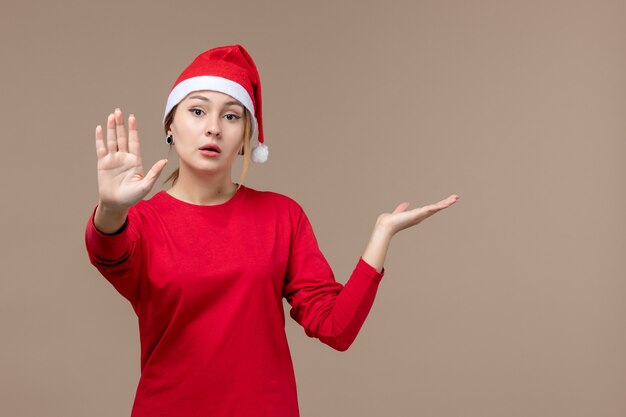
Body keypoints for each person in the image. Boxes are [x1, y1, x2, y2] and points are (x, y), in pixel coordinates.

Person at [85, 44, 459, 417]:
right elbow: (107, 250)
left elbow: (335, 328)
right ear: (170, 124)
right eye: (197, 111)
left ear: (247, 135)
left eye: (231, 116)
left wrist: (381, 235)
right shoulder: (143, 224)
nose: (213, 127)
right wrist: (112, 207)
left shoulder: (282, 216)